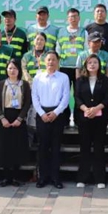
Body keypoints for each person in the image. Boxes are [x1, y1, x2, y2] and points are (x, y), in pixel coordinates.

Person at [31, 51, 70, 188]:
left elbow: (65, 98)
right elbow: (34, 97)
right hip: (42, 114)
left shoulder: (64, 77)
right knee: (42, 147)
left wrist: (56, 112)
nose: (51, 62)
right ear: (44, 61)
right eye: (48, 59)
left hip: (57, 115)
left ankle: (55, 178)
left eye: (53, 59)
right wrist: (42, 113)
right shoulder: (38, 77)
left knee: (55, 147)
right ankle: (43, 177)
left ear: (58, 62)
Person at [74, 54, 108, 189]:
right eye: (90, 63)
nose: (92, 65)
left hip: (100, 119)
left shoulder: (105, 80)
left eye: (95, 62)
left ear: (99, 65)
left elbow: (107, 98)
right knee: (84, 147)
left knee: (99, 148)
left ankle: (100, 178)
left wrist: (96, 109)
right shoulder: (80, 80)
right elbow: (77, 98)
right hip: (84, 119)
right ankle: (82, 178)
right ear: (86, 65)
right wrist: (86, 109)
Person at [0, 59, 31, 187]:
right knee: (4, 148)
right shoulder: (1, 84)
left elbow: (27, 103)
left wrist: (20, 119)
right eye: (10, 68)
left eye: (15, 68)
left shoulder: (24, 84)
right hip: (5, 118)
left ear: (19, 70)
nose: (12, 71)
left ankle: (15, 176)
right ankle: (6, 177)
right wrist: (2, 118)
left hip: (18, 119)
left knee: (17, 147)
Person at [57, 8, 84, 90]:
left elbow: (86, 50)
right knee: (64, 91)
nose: (73, 18)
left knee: (79, 92)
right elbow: (58, 49)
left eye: (75, 16)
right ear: (67, 19)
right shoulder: (61, 32)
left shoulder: (83, 32)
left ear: (79, 18)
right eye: (71, 16)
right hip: (64, 67)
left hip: (79, 67)